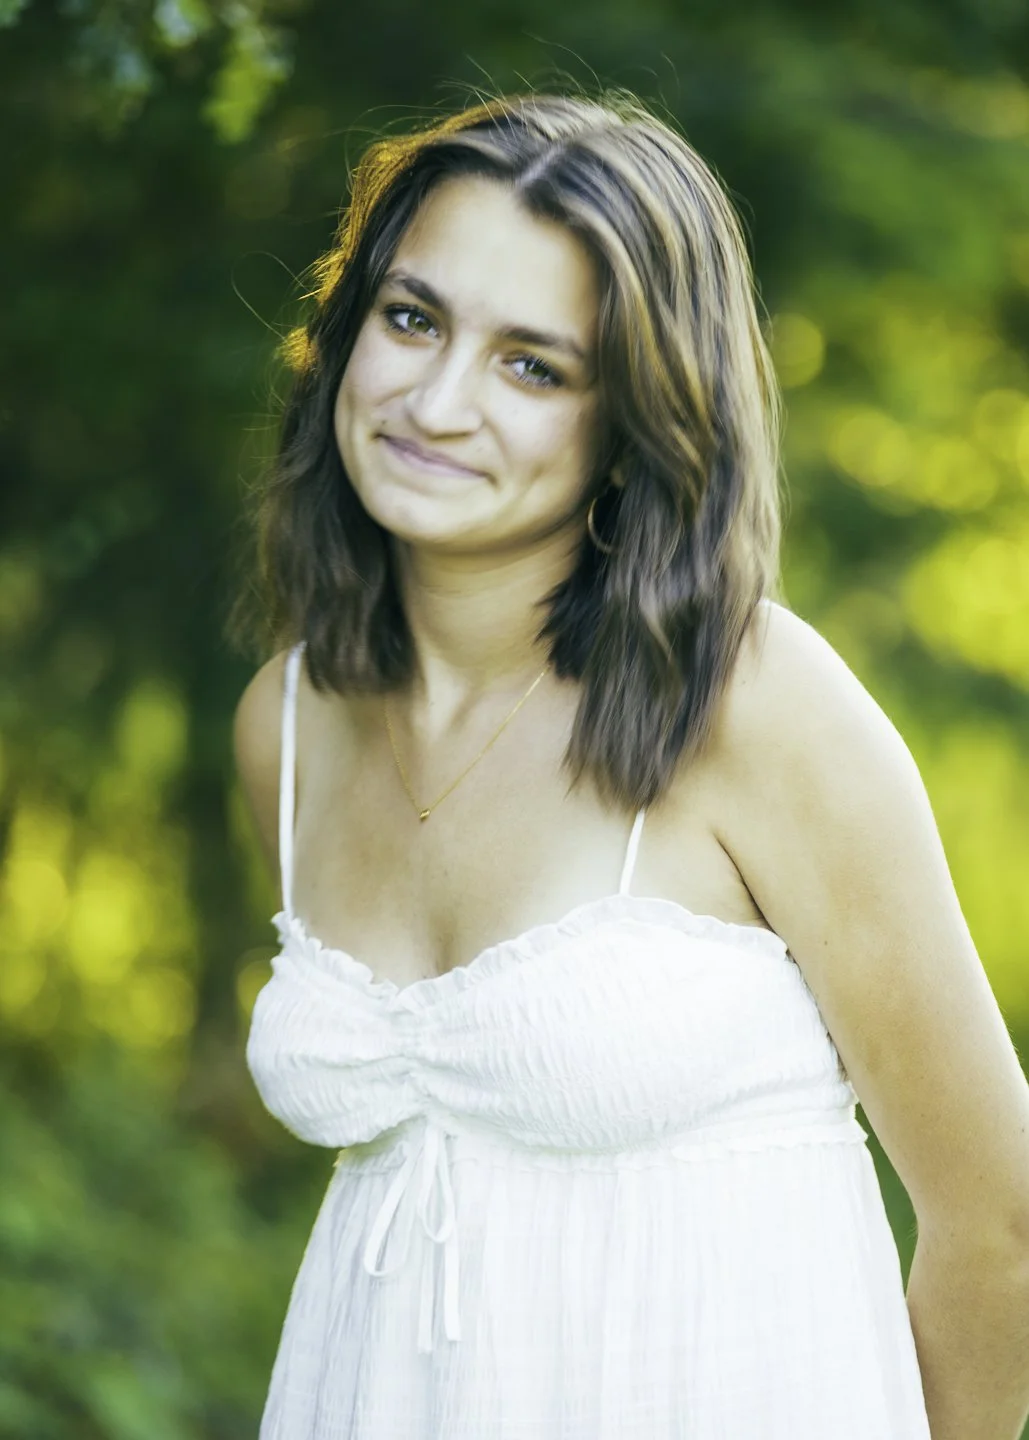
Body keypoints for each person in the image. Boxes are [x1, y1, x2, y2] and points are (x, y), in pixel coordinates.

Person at [229, 90, 1029, 1439]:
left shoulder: (750, 703)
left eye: (532, 366)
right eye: (412, 318)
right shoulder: (289, 724)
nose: (435, 401)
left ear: (634, 421)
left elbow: (1000, 1222)